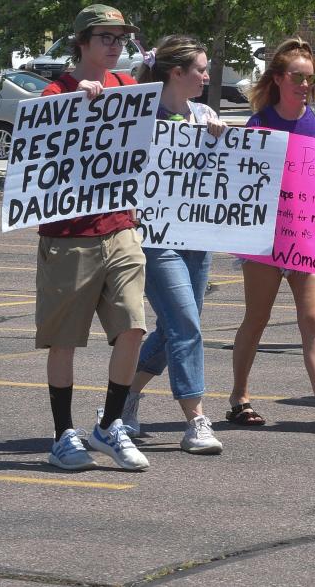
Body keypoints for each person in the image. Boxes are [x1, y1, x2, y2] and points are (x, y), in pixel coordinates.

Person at [227, 37, 315, 436]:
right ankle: (239, 397)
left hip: (310, 234)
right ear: (279, 78)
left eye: (310, 77)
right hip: (268, 236)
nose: (304, 84)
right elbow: (243, 177)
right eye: (297, 77)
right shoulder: (260, 122)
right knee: (257, 318)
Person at [36, 4, 149, 472]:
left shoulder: (128, 89)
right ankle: (63, 433)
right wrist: (67, 106)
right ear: (81, 42)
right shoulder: (54, 92)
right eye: (105, 36)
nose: (115, 45)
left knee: (134, 327)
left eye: (121, 37)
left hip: (120, 227)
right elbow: (36, 153)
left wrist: (203, 122)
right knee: (64, 341)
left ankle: (110, 423)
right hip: (69, 235)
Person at [122, 36, 223, 455]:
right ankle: (196, 420)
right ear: (176, 73)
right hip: (155, 237)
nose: (206, 75)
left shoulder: (203, 113)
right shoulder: (141, 114)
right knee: (186, 324)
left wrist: (218, 137)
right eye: (200, 68)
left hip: (197, 236)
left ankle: (123, 394)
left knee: (176, 325)